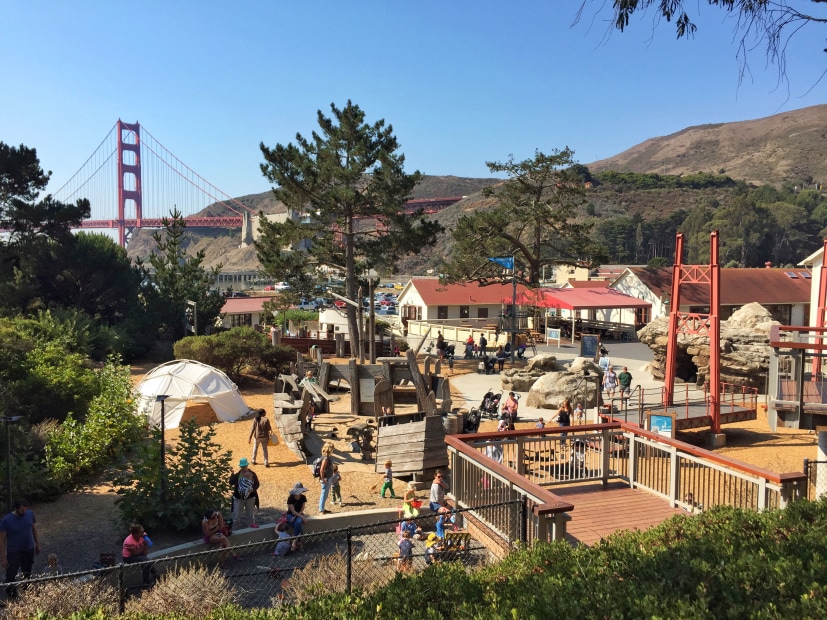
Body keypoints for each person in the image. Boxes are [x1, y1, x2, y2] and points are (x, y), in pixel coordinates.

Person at [0, 498, 40, 599]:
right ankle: (11, 594)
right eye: (22, 510)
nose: (24, 512)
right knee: (11, 573)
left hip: (28, 548)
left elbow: (33, 529)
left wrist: (37, 544)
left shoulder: (30, 514)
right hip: (14, 551)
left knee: (27, 571)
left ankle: (27, 590)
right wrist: (3, 557)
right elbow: (2, 539)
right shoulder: (6, 520)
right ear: (17, 508)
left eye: (25, 509)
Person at [230, 458, 260, 529]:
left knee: (250, 514)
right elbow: (231, 482)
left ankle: (251, 525)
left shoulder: (252, 474)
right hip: (239, 498)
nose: (243, 468)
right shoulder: (238, 475)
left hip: (250, 497)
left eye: (244, 466)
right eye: (242, 466)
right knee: (237, 514)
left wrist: (252, 489)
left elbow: (257, 484)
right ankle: (235, 527)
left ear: (247, 465)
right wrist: (232, 473)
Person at [285, 482, 309, 551]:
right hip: (290, 515)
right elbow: (292, 511)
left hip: (299, 514)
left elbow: (302, 509)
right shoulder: (290, 498)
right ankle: (300, 542)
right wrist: (302, 517)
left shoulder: (303, 497)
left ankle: (294, 541)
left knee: (298, 522)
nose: (300, 492)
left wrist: (297, 517)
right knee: (298, 524)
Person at [318, 442, 335, 514]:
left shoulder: (325, 456)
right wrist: (323, 478)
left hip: (328, 477)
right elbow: (322, 469)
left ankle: (322, 508)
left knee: (325, 493)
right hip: (326, 478)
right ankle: (321, 509)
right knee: (324, 493)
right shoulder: (325, 458)